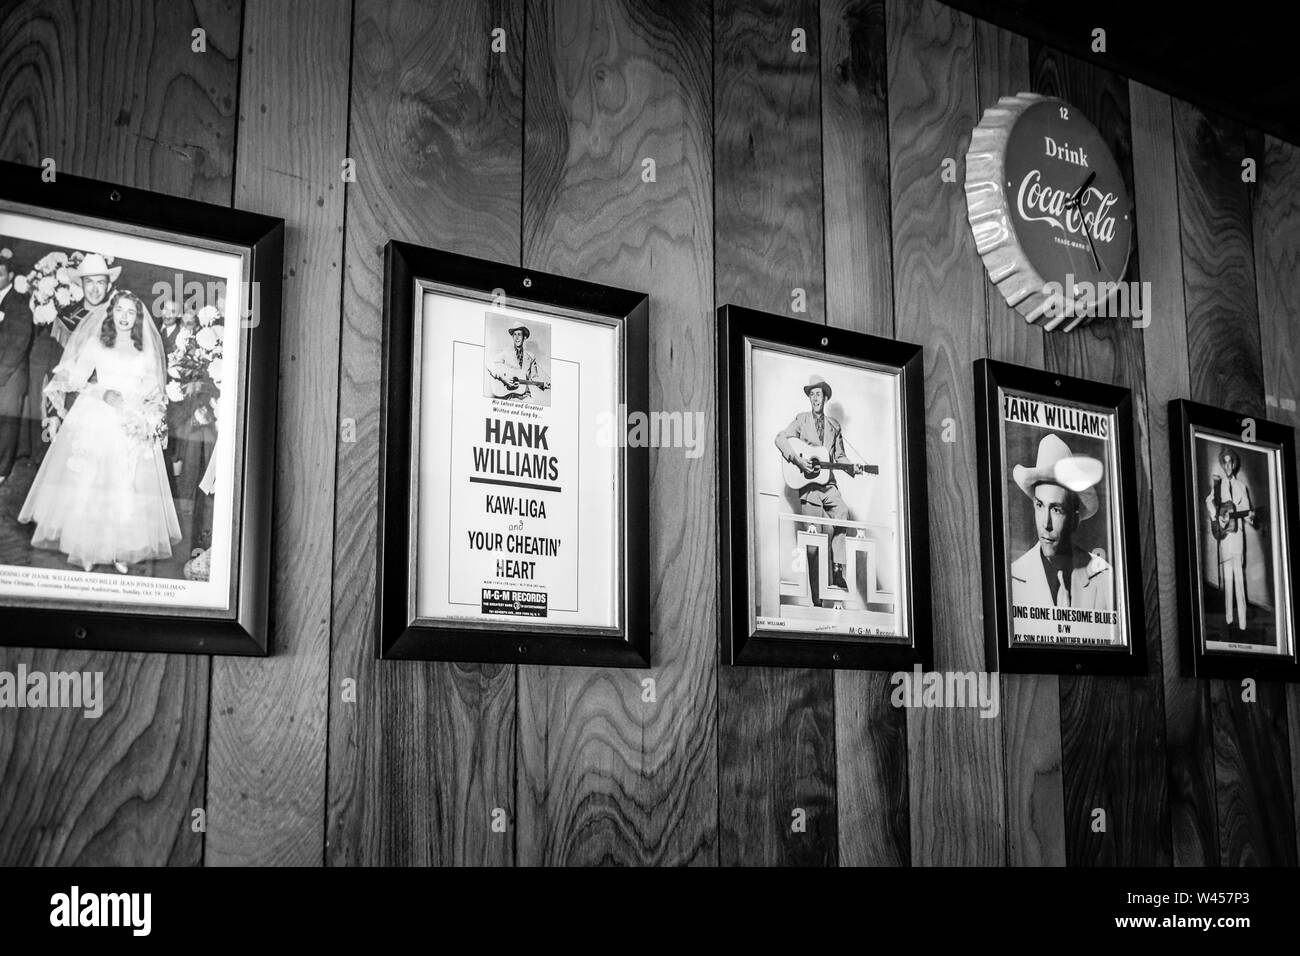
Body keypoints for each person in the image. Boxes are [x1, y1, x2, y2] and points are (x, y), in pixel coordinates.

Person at [18, 289, 181, 574]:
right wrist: (103, 393)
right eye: (120, 311)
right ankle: (86, 547)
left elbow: (155, 389)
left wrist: (143, 412)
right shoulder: (97, 344)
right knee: (91, 482)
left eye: (131, 312)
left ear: (138, 317)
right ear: (111, 313)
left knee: (126, 484)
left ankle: (120, 549)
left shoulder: (146, 350)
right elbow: (77, 380)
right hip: (97, 415)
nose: (125, 317)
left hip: (132, 421)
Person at [774, 375, 868, 592]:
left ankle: (837, 568)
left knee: (842, 512)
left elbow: (840, 457)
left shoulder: (834, 426)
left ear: (825, 398)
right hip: (809, 489)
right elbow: (780, 438)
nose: (815, 398)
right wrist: (798, 460)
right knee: (813, 541)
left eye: (819, 394)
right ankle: (815, 595)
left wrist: (852, 467)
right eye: (812, 394)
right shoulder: (801, 420)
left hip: (829, 485)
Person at [27, 252, 119, 466]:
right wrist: (52, 412)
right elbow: (53, 369)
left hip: (106, 403)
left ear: (107, 285)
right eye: (89, 283)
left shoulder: (116, 316)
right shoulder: (66, 318)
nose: (95, 289)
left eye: (101, 283)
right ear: (81, 283)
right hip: (72, 403)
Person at [1009, 433, 1112, 610]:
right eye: (1040, 505)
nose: (1045, 524)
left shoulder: (1104, 577)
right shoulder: (1012, 578)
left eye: (1057, 510)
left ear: (1074, 519)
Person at [1205, 447, 1255, 632]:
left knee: (1239, 580)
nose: (1227, 465)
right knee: (1228, 580)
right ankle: (1228, 619)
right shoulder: (1218, 487)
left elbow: (1248, 513)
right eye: (1224, 462)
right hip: (1225, 538)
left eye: (1230, 462)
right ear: (1222, 464)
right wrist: (1216, 517)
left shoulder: (1242, 488)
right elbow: (1208, 502)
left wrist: (1250, 517)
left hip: (1238, 538)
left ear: (1234, 464)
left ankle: (1242, 623)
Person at [0, 248, 34, 485]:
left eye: (0, 274)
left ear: (11, 276)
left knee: (6, 423)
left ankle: (1, 470)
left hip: (10, 375)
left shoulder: (19, 303)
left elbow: (18, 345)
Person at [488, 324, 549, 401]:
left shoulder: (531, 357)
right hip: (507, 396)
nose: (516, 337)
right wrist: (503, 378)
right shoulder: (506, 353)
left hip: (524, 395)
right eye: (514, 335)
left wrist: (543, 384)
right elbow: (489, 363)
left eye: (519, 335)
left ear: (524, 338)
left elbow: (534, 377)